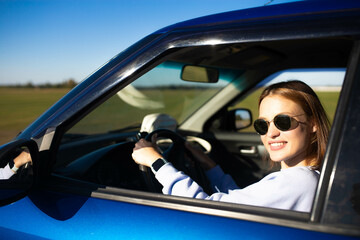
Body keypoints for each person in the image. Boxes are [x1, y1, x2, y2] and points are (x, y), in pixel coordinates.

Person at [132, 80, 330, 212]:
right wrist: (211, 167)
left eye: (283, 122)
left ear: (313, 123)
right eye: (263, 124)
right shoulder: (309, 176)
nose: (271, 133)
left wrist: (157, 162)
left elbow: (206, 210)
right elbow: (240, 203)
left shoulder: (298, 182)